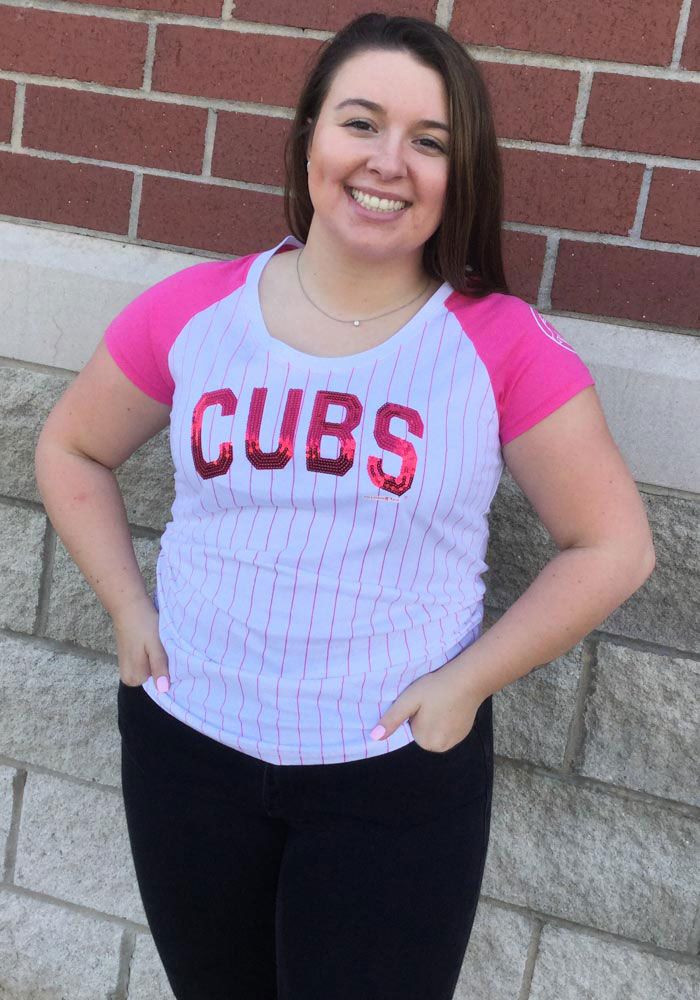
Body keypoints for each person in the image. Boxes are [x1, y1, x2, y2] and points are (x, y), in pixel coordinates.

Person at [34, 12, 655, 1000]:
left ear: (463, 171)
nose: (387, 162)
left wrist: (463, 687)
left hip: (389, 778)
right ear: (310, 138)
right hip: (187, 747)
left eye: (429, 140)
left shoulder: (497, 344)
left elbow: (612, 546)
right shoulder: (198, 310)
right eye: (360, 123)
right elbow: (70, 444)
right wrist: (127, 609)